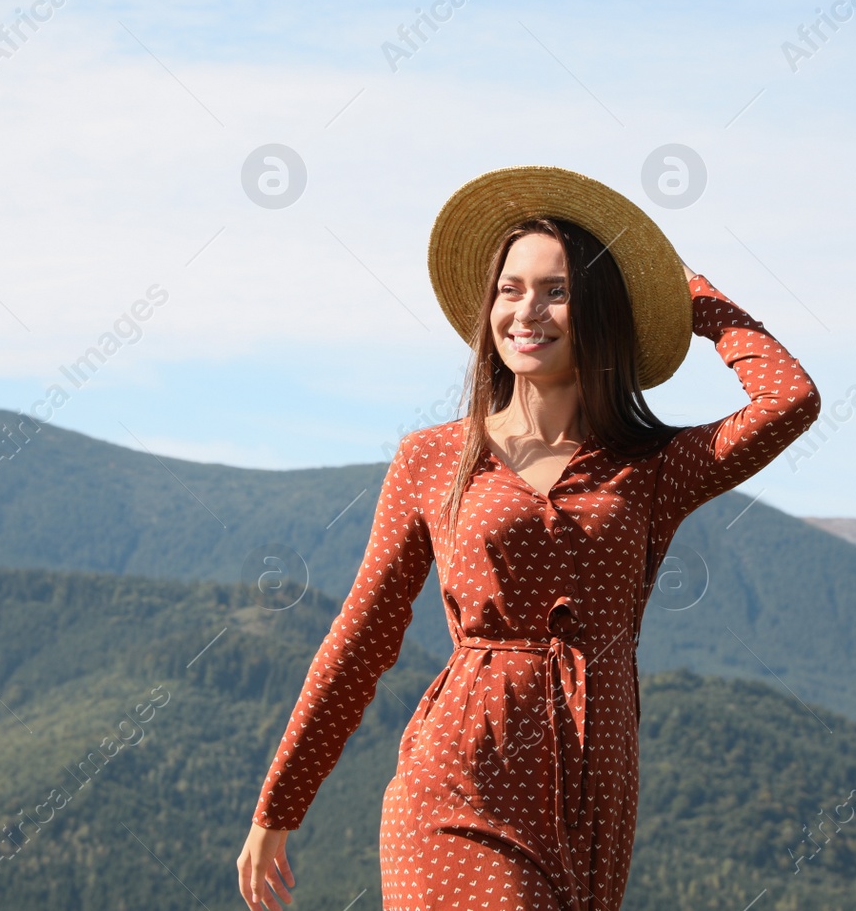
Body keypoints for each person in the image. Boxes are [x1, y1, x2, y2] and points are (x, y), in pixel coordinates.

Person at [236, 165, 821, 911]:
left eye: (557, 290)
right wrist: (278, 805)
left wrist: (697, 298)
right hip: (457, 780)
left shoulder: (651, 468)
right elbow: (363, 633)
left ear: (600, 311)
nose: (527, 311)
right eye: (510, 290)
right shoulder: (433, 457)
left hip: (595, 790)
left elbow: (790, 398)